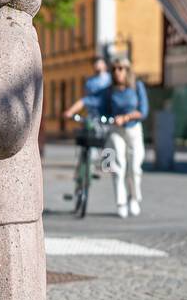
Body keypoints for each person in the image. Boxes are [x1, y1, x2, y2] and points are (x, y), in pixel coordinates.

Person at [81, 55, 148, 218]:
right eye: (115, 69)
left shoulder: (137, 87)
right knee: (117, 166)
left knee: (135, 167)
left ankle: (134, 198)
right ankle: (121, 202)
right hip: (115, 130)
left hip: (134, 130)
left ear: (127, 70)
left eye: (121, 68)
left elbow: (144, 112)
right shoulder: (109, 90)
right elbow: (95, 103)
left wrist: (126, 117)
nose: (117, 72)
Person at [63, 56, 110, 121]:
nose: (97, 65)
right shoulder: (90, 82)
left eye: (99, 63)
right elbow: (85, 100)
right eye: (95, 64)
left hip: (109, 115)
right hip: (94, 116)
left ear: (105, 65)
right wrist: (71, 111)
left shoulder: (111, 79)